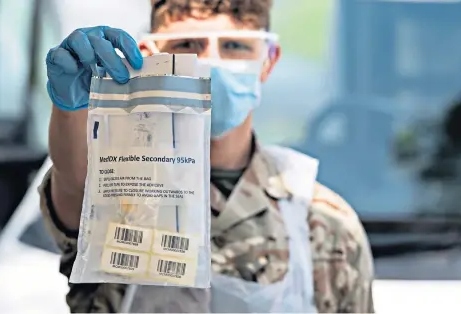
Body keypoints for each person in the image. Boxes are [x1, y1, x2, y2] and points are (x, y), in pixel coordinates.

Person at [40, 0, 374, 312]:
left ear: (268, 60)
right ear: (149, 54)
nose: (212, 64)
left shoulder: (324, 223)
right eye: (188, 46)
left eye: (234, 46)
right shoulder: (121, 184)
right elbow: (76, 183)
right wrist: (72, 108)